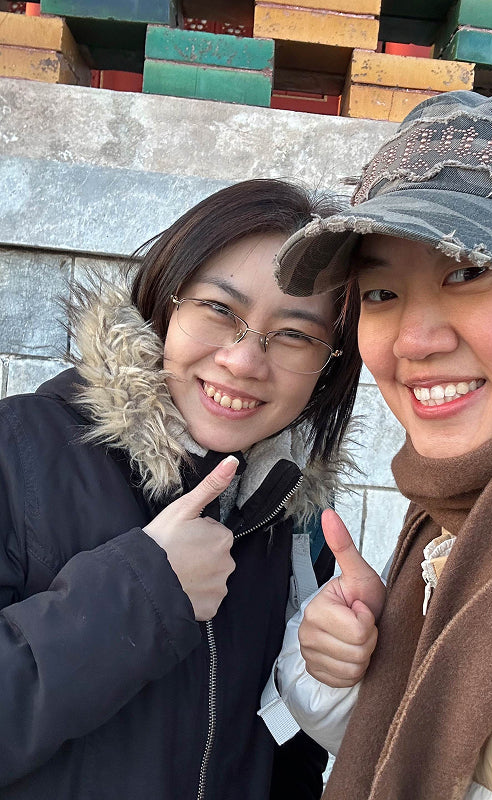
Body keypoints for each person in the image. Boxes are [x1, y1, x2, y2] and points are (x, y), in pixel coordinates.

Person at [273, 89, 492, 800]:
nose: (414, 342)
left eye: (468, 272)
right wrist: (349, 668)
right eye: (381, 294)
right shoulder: (456, 515)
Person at [0, 178, 362, 800]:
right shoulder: (20, 449)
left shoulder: (295, 519)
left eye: (296, 335)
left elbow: (285, 755)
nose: (244, 362)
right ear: (166, 305)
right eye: (219, 310)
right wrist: (145, 593)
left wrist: (331, 680)